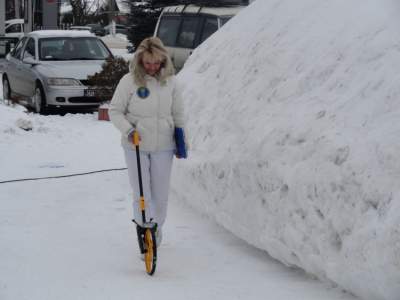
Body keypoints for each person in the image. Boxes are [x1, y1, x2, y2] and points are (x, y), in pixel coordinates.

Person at [109, 37, 187, 249]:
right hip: (136, 145)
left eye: (156, 63)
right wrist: (129, 130)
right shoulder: (129, 81)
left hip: (164, 145)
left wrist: (181, 140)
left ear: (163, 60)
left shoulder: (172, 82)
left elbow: (178, 112)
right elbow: (115, 111)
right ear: (140, 60)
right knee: (142, 192)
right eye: (147, 63)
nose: (152, 67)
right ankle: (144, 230)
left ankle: (156, 227)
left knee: (160, 195)